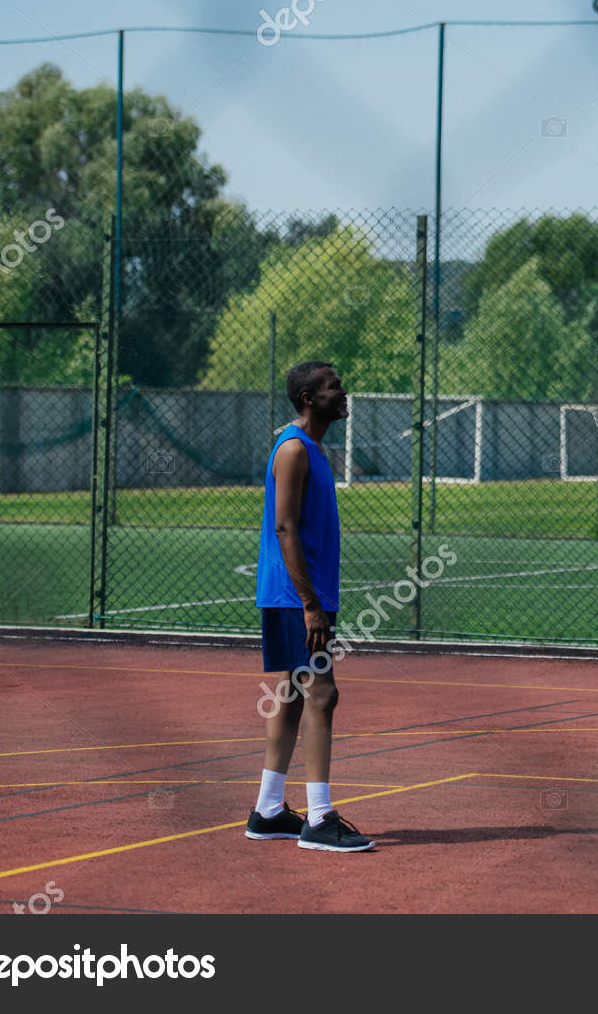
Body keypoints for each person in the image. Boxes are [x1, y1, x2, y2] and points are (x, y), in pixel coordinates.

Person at [245, 360, 373, 851]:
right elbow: (284, 528)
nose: (343, 393)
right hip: (297, 596)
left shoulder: (313, 448)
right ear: (307, 399)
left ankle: (268, 809)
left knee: (294, 691)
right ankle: (319, 819)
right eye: (332, 387)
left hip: (300, 595)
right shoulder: (295, 449)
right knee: (323, 693)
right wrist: (310, 605)